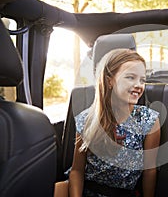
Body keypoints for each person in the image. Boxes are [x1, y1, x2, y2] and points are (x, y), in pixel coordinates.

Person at [62, 48, 160, 197]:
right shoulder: (87, 119)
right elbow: (77, 170)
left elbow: (149, 171)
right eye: (130, 77)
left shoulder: (148, 121)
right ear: (110, 81)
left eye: (142, 80)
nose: (139, 85)